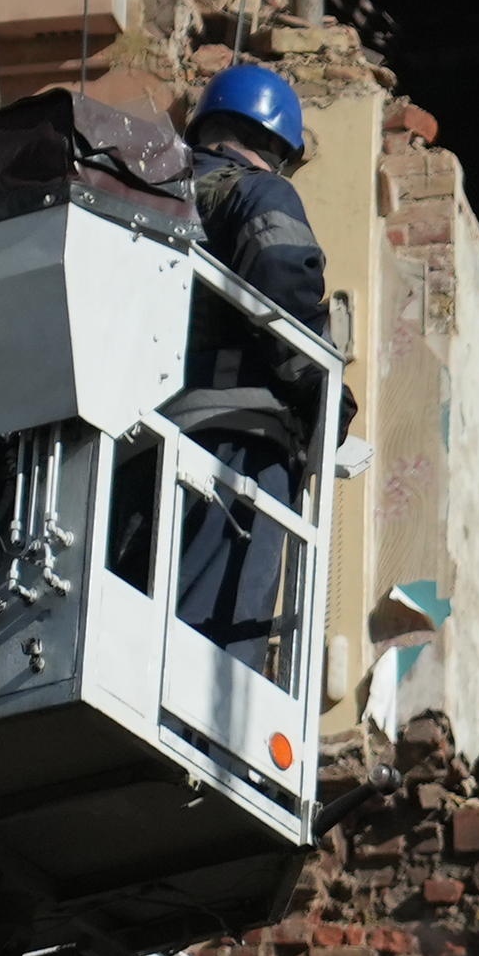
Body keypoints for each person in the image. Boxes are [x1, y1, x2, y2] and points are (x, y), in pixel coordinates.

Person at [163, 60, 336, 666]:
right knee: (215, 655)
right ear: (273, 147)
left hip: (138, 448)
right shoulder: (259, 191)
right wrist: (328, 404)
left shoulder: (146, 192)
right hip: (236, 447)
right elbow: (283, 287)